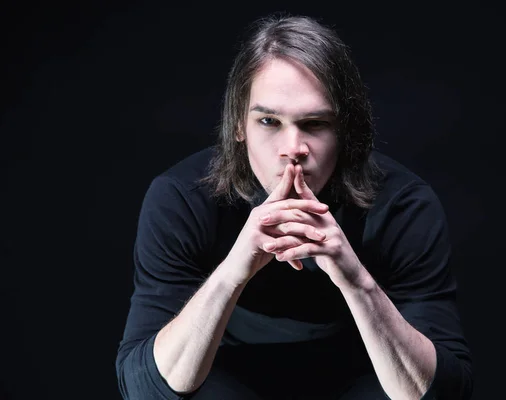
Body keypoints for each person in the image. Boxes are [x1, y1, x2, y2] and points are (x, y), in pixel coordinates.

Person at [115, 13, 473, 400]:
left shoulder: (404, 205)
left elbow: (445, 391)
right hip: (229, 375)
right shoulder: (181, 197)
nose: (293, 150)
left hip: (360, 374)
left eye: (315, 124)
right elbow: (145, 388)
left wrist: (356, 280)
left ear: (344, 131)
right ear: (239, 124)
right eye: (269, 121)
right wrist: (234, 270)